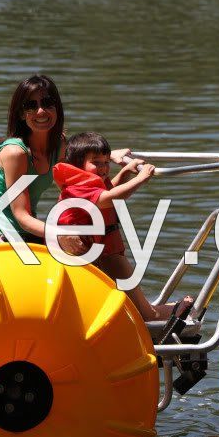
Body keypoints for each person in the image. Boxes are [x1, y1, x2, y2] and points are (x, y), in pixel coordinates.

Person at [52, 131, 190, 322]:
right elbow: (110, 198)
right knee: (143, 311)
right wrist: (140, 179)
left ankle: (150, 311)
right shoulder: (78, 187)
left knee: (124, 296)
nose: (103, 168)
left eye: (106, 162)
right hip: (98, 251)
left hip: (101, 247)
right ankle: (159, 314)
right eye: (96, 163)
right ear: (78, 165)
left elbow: (107, 191)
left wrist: (124, 173)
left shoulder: (86, 181)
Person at [0, 75, 129, 243]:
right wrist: (60, 234)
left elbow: (83, 193)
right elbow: (21, 215)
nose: (41, 111)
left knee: (88, 241)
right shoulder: (15, 154)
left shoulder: (58, 145)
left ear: (57, 108)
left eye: (47, 103)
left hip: (29, 231)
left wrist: (119, 164)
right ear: (22, 114)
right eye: (31, 106)